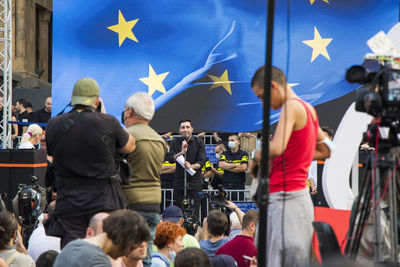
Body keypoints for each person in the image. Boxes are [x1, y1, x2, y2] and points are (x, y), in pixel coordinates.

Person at [251, 66, 331, 266]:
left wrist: (255, 155)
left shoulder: (291, 107)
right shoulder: (308, 109)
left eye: (262, 96)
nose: (263, 103)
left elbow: (277, 147)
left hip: (285, 198)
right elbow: (326, 150)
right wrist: (297, 157)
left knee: (278, 260)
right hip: (294, 198)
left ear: (273, 86)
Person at [45, 77, 136, 248]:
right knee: (105, 250)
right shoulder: (108, 122)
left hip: (69, 202)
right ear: (97, 101)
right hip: (104, 200)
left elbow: (51, 153)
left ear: (73, 99)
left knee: (73, 251)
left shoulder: (54, 124)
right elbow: (130, 146)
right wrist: (103, 114)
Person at [121, 92, 167, 267]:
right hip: (154, 203)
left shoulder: (126, 137)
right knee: (145, 253)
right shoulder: (159, 140)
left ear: (129, 112)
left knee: (127, 253)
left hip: (131, 203)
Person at [54, 209, 150, 267]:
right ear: (123, 237)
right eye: (131, 247)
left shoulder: (71, 246)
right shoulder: (98, 260)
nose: (126, 254)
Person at [167, 120, 207, 214]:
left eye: (187, 127)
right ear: (179, 130)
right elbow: (169, 158)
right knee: (179, 213)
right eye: (183, 127)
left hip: (195, 183)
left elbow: (201, 162)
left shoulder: (199, 142)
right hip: (179, 183)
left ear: (192, 129)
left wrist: (191, 166)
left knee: (194, 213)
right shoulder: (174, 142)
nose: (185, 130)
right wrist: (181, 152)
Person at [218, 134, 248, 201]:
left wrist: (227, 166)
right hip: (226, 186)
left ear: (238, 142)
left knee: (239, 208)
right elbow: (221, 165)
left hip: (239, 186)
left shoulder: (243, 154)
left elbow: (243, 168)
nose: (230, 142)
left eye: (232, 140)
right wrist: (235, 165)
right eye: (229, 140)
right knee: (226, 209)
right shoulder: (224, 154)